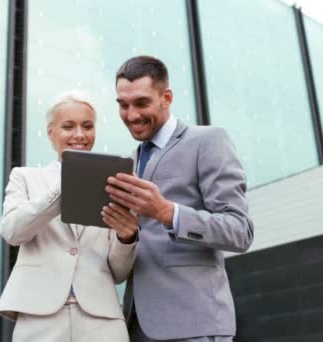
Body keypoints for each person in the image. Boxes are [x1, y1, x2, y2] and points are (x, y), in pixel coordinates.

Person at [103, 56, 254, 341]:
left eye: (141, 103)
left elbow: (240, 231)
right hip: (136, 324)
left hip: (194, 324)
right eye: (123, 105)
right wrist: (126, 235)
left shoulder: (208, 141)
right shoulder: (129, 162)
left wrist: (167, 212)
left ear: (166, 97)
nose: (131, 115)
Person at [0, 90, 139, 342]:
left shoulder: (115, 182)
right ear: (51, 133)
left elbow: (118, 272)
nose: (80, 135)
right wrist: (63, 187)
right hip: (39, 314)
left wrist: (126, 238)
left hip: (102, 318)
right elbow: (12, 232)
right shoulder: (25, 177)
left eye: (87, 126)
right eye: (68, 126)